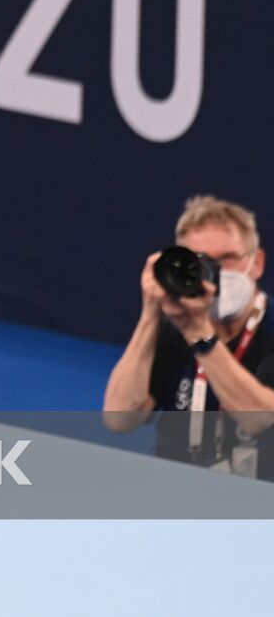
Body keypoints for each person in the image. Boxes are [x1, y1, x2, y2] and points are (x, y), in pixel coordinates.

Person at [104, 195, 274, 479]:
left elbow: (260, 420)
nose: (216, 272)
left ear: (256, 262)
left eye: (228, 259)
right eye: (201, 262)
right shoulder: (174, 326)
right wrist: (150, 313)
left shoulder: (268, 328)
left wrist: (199, 333)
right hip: (179, 487)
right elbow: (120, 420)